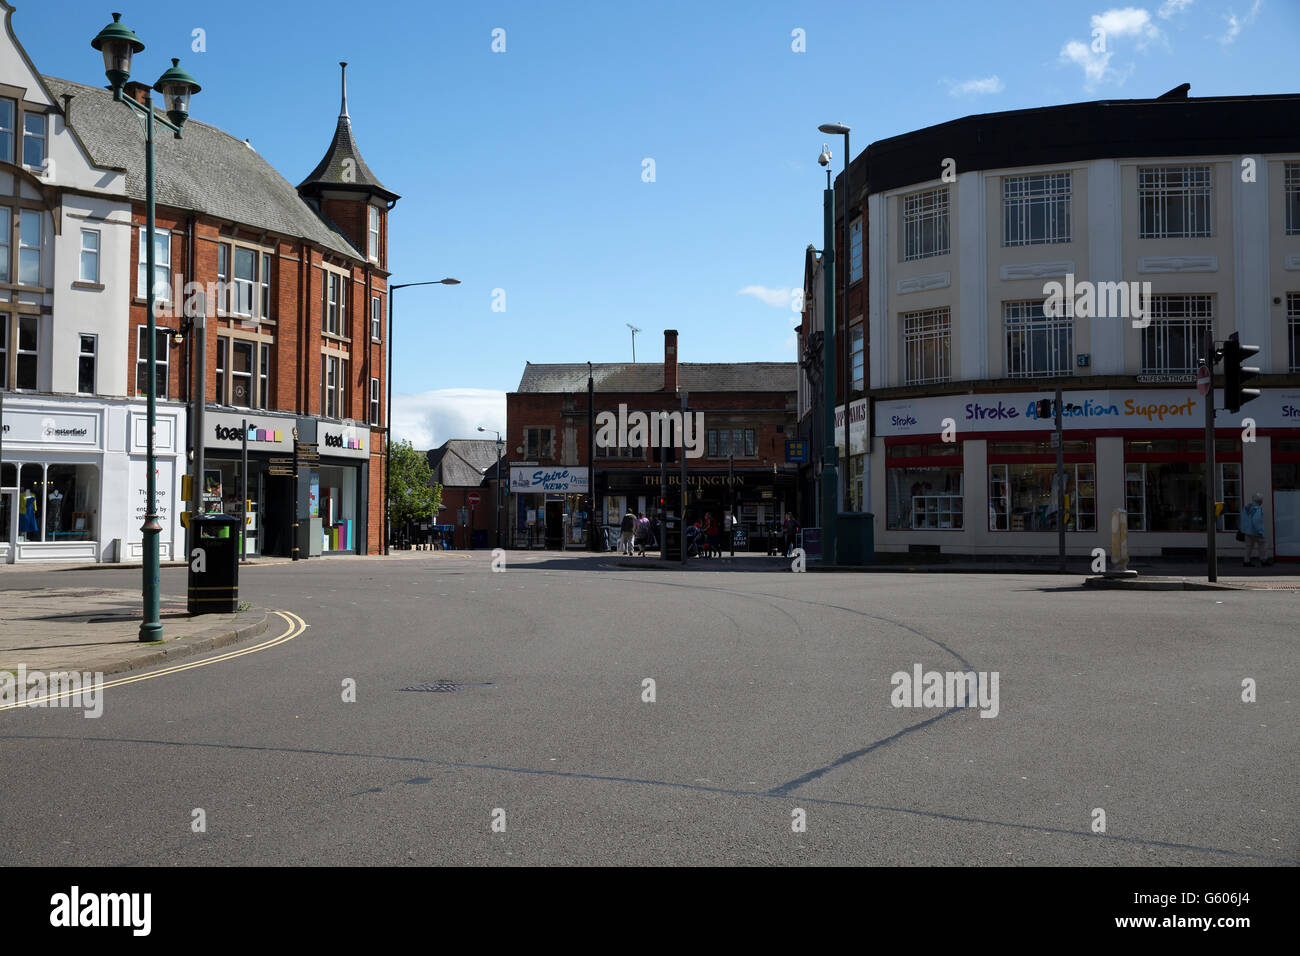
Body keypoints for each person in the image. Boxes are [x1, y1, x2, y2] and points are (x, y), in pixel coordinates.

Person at [1240, 492, 1267, 567]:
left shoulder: (1246, 507)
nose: (1262, 501)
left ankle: (1246, 561)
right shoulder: (1257, 508)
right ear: (1259, 501)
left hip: (1247, 531)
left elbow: (1243, 518)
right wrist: (1260, 531)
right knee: (1262, 544)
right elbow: (1256, 520)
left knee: (1248, 546)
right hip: (1255, 531)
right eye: (1262, 500)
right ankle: (1263, 560)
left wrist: (1243, 529)